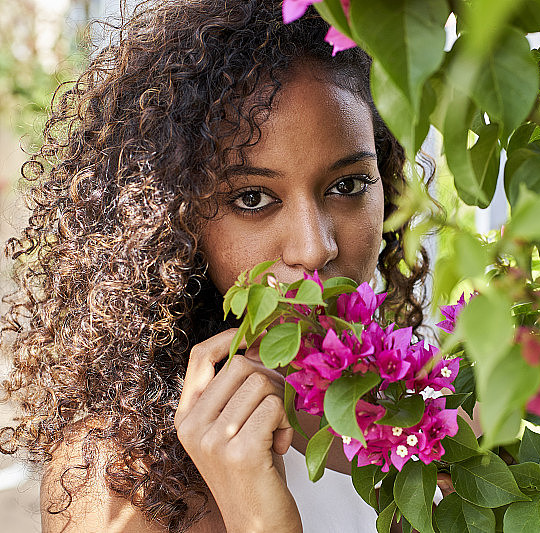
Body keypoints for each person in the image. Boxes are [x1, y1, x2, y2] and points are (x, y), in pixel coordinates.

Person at [0, 1, 432, 531]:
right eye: (252, 198)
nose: (314, 248)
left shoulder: (431, 409)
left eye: (347, 186)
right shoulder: (120, 482)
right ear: (172, 220)